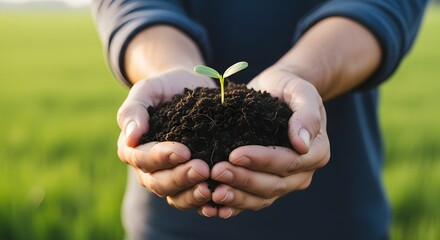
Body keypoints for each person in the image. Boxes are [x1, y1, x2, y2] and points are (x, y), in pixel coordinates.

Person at [93, 1, 427, 239]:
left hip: (336, 219)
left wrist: (300, 74)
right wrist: (166, 68)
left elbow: (382, 6)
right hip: (170, 227)